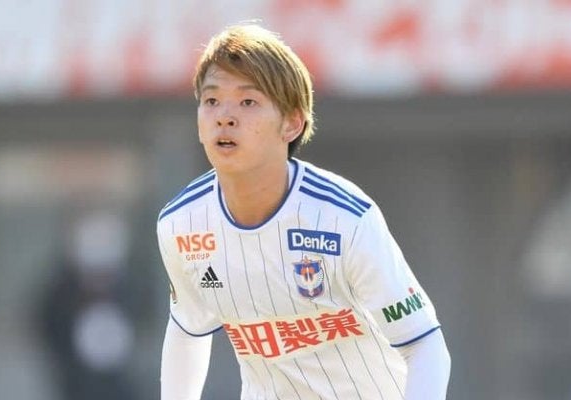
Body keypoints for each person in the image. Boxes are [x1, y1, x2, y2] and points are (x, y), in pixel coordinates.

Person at [156, 23, 451, 399]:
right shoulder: (180, 224)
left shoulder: (344, 220)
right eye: (212, 100)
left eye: (248, 102)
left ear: (292, 123)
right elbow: (188, 330)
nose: (224, 116)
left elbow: (425, 345)